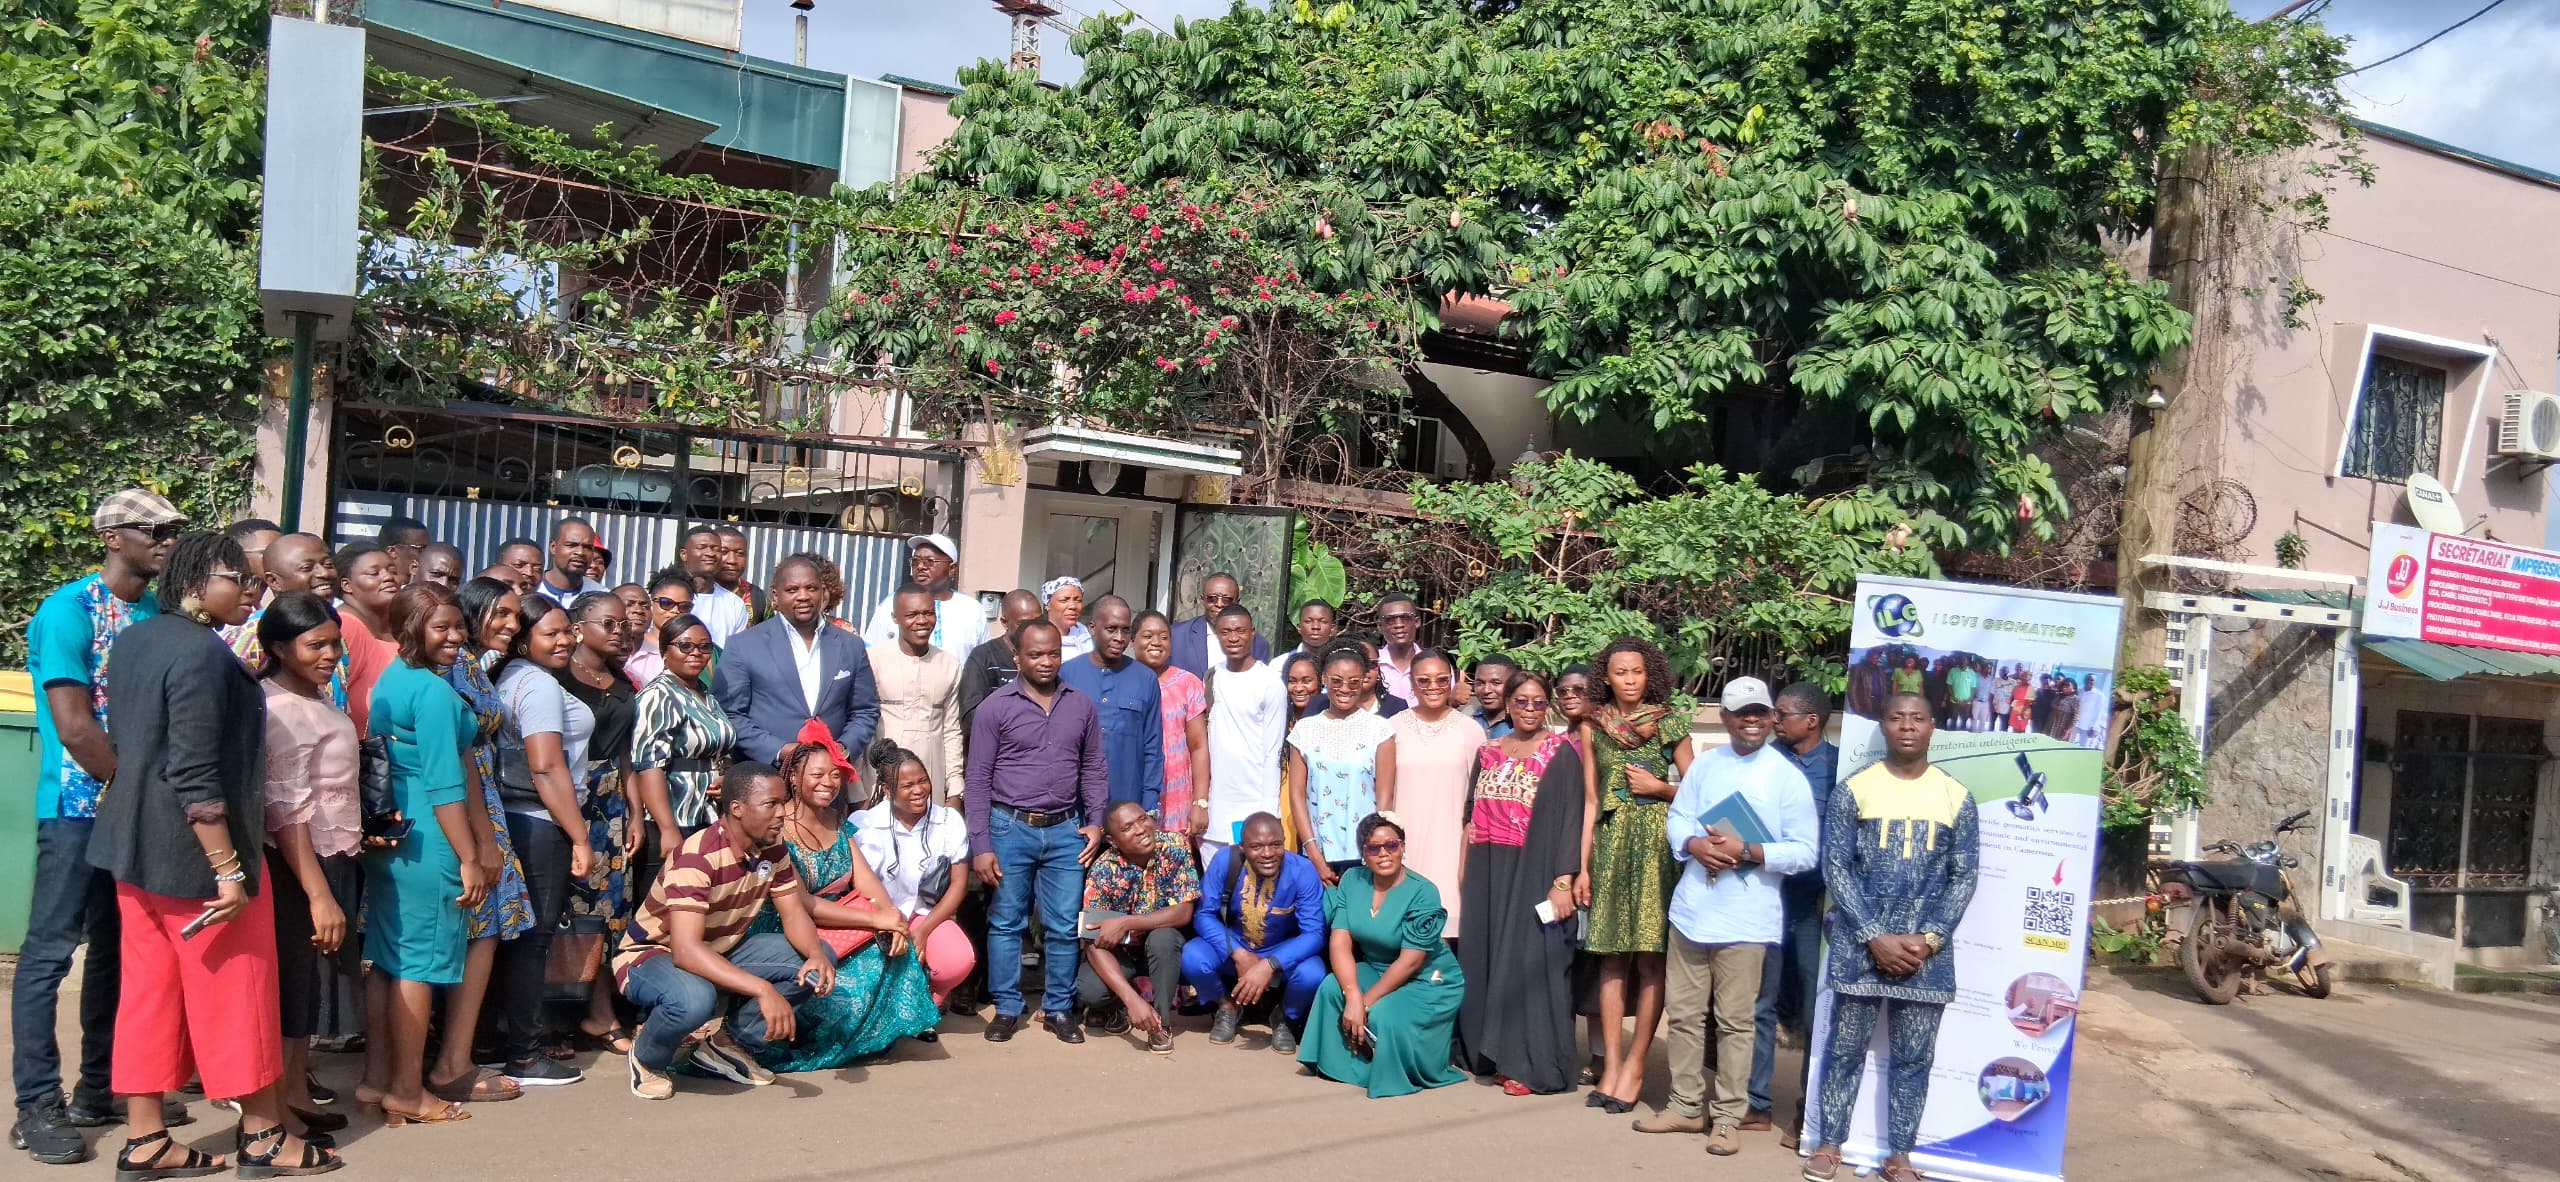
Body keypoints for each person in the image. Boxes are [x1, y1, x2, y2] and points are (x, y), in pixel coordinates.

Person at [89, 531, 343, 1178]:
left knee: (148, 994)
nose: (253, 594)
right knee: (239, 994)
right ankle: (263, 1136)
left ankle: (146, 1140)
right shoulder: (203, 654)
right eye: (240, 580)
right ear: (195, 582)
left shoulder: (137, 639)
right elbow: (195, 771)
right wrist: (229, 870)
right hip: (198, 858)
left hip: (133, 847)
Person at [13, 488, 179, 1165]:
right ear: (113, 537)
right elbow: (75, 726)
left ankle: (100, 1086)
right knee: (50, 955)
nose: (167, 541)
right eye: (153, 531)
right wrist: (128, 791)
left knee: (120, 952)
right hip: (77, 812)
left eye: (173, 530)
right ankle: (36, 1105)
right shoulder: (68, 611)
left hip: (131, 808)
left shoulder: (154, 611)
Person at [1804, 693, 1981, 1182]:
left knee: (1914, 1059)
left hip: (1926, 957)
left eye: (1917, 718)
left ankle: (1900, 1156)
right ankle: (1829, 1146)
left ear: (1932, 727)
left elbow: (1964, 875)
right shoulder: (1855, 790)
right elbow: (1836, 867)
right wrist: (1873, 936)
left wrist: (1931, 938)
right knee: (1844, 1050)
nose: (1907, 726)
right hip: (1860, 949)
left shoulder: (1956, 796)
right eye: (1897, 717)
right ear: (1882, 726)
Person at [1640, 677, 1819, 1156]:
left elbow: (1806, 851)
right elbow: (1679, 817)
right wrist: (1693, 843)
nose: (1751, 720)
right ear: (1725, 718)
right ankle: (1684, 1106)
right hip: (1693, 912)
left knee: (1736, 1023)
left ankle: (1726, 1118)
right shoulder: (1706, 765)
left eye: (1759, 712)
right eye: (1742, 713)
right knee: (1684, 1017)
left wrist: (1751, 850)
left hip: (1747, 919)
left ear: (1772, 717)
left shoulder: (1786, 777)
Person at [612, 764, 838, 1101]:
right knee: (695, 1000)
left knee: (817, 961)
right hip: (652, 955)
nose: (782, 813)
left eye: (783, 802)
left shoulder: (772, 847)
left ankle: (728, 1044)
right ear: (737, 808)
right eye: (771, 804)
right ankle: (647, 1057)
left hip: (719, 949)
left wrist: (816, 955)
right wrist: (763, 989)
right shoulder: (698, 856)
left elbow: (793, 913)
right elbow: (686, 951)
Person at [356, 582, 493, 1127]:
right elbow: (445, 786)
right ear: (412, 629)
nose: (456, 636)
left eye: (459, 626)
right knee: (418, 965)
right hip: (430, 839)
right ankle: (408, 1091)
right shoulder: (433, 693)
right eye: (442, 627)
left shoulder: (395, 677)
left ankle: (376, 1079)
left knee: (388, 959)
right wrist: (470, 856)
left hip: (395, 832)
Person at [748, 741, 939, 1070]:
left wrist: (891, 918)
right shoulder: (778, 829)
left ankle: (873, 1034)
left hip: (842, 922)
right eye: (818, 774)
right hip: (793, 928)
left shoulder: (838, 821)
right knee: (848, 983)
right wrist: (876, 921)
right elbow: (802, 903)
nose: (829, 782)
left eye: (835, 775)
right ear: (793, 777)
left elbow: (867, 882)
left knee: (897, 946)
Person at [963, 620, 1108, 1044]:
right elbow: (978, 778)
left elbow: (1093, 767)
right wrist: (981, 844)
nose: (1046, 662)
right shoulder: (995, 708)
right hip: (1010, 828)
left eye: (1053, 654)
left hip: (1066, 830)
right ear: (1017, 658)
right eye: (1035, 654)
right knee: (1007, 922)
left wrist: (1096, 821)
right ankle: (1007, 1007)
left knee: (1063, 925)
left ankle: (1059, 1008)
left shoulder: (1080, 705)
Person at [254, 593, 365, 1139]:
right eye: (315, 645)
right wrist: (319, 895)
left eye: (335, 643)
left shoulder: (315, 697)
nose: (330, 655)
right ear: (279, 648)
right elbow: (285, 810)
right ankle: (274, 1109)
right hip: (299, 864)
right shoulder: (279, 709)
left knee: (307, 986)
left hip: (332, 854)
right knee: (291, 985)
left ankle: (295, 1092)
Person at [1453, 669, 1589, 1097]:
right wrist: (1464, 866)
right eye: (1522, 701)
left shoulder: (1560, 752)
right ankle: (1489, 1054)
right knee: (1489, 956)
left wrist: (1563, 881)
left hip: (1535, 868)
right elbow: (1471, 813)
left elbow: (1571, 819)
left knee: (1531, 963)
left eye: (1539, 702)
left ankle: (1530, 1064)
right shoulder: (1488, 751)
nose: (1530, 709)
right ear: (1508, 704)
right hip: (1487, 865)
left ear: (1548, 706)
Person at [432, 579, 537, 1106]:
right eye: (502, 614)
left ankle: (454, 1055)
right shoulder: (451, 666)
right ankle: (452, 1062)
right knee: (479, 930)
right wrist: (484, 841)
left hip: (477, 804)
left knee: (479, 931)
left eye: (517, 616)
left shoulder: (471, 664)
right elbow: (462, 753)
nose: (513, 626)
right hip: (468, 809)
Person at [487, 596, 597, 1088]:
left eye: (567, 630)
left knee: (512, 938)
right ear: (522, 639)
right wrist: (579, 836)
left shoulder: (509, 676)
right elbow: (547, 766)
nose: (565, 640)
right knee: (534, 941)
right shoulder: (538, 685)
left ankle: (495, 1042)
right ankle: (526, 1055)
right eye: (550, 633)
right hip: (539, 819)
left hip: (514, 816)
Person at [1581, 636, 1691, 1113]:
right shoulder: (1593, 726)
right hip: (1610, 846)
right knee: (1610, 959)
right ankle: (1611, 1066)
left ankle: (1636, 1067)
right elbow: (1591, 801)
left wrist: (1660, 788)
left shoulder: (1671, 723)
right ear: (1606, 677)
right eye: (1621, 672)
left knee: (1650, 959)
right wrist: (1581, 868)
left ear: (1651, 676)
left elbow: (1700, 793)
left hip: (1656, 847)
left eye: (1638, 671)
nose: (1630, 680)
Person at [1297, 813, 1466, 1099]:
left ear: (1403, 847)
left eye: (1392, 845)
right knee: (1331, 988)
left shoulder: (1423, 892)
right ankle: (1348, 1068)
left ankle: (1394, 1072)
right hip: (1377, 967)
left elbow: (1411, 961)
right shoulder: (1352, 880)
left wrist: (1364, 1002)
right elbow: (1340, 943)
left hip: (1428, 979)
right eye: (1374, 848)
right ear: (1363, 853)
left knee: (1383, 1014)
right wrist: (1353, 995)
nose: (1384, 853)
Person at [556, 589, 643, 1055]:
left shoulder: (620, 677)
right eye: (607, 623)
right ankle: (570, 1014)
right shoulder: (558, 676)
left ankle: (600, 1010)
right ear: (577, 629)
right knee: (572, 907)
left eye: (622, 624)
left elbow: (625, 751)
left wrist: (635, 812)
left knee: (611, 910)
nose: (618, 631)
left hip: (611, 804)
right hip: (571, 796)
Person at [1754, 681, 1840, 1141]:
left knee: (1813, 1008)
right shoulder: (1763, 761)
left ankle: (1809, 1113)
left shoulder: (1839, 768)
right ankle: (1754, 1104)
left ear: (1811, 721)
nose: (1773, 721)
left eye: (1781, 714)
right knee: (1759, 1003)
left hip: (1811, 908)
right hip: (1762, 897)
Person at [715, 554, 880, 766]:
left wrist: (843, 748)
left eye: (811, 588)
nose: (803, 596)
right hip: (765, 772)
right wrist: (780, 750)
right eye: (792, 590)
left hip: (830, 773)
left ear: (823, 593)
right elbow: (729, 713)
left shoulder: (851, 646)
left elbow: (865, 710)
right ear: (775, 596)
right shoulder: (743, 645)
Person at [1184, 813, 1327, 1052]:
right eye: (1257, 847)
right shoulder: (1226, 861)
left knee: (1312, 973)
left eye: (1275, 845)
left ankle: (1283, 1017)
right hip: (1235, 944)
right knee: (1192, 956)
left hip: (1280, 949)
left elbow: (1314, 933)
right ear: (1242, 847)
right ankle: (1227, 1007)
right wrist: (1238, 954)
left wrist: (1270, 964)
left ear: (1284, 842)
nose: (1268, 853)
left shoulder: (1302, 871)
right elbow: (1204, 915)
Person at [1073, 801, 1199, 1055]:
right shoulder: (1103, 870)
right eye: (1128, 828)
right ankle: (1118, 1008)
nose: (1141, 829)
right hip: (1123, 953)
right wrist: (1132, 1000)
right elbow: (1092, 941)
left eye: (1143, 819)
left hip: (1165, 950)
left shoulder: (1174, 845)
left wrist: (1127, 922)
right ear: (1113, 841)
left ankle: (1160, 1024)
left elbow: (1184, 912)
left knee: (1163, 938)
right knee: (1091, 990)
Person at [854, 742, 975, 1004]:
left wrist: (924, 931)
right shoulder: (865, 825)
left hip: (924, 916)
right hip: (876, 918)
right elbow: (857, 887)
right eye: (907, 786)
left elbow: (959, 883)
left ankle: (927, 1004)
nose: (919, 790)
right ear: (887, 790)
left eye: (923, 781)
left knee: (957, 961)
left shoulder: (949, 821)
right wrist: (890, 924)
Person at [1286, 648, 1399, 884]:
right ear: (1324, 679)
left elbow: (1384, 799)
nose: (1345, 689)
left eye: (1353, 682)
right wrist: (1313, 852)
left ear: (1364, 681)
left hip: (1365, 853)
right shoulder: (1304, 730)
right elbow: (1296, 795)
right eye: (1337, 681)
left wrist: (1376, 850)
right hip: (1317, 853)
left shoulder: (1379, 730)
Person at [1390, 652, 1483, 937]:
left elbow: (1477, 800)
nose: (1433, 687)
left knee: (1446, 931)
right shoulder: (1392, 728)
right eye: (1424, 680)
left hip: (1451, 846)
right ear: (1412, 683)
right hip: (1404, 843)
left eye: (1442, 680)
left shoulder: (1470, 730)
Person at [630, 613, 737, 847]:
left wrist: (726, 779)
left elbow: (721, 750)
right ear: (664, 652)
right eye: (685, 646)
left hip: (708, 814)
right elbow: (648, 766)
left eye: (704, 647)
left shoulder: (706, 695)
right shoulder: (658, 696)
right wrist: (667, 829)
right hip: (675, 816)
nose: (696, 653)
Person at [1058, 595, 1165, 814]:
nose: (1119, 638)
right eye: (1111, 629)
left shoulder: (1145, 678)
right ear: (1092, 628)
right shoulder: (1066, 673)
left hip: (1126, 800)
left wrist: (1149, 805)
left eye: (1125, 630)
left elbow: (1153, 747)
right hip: (1073, 803)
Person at [1202, 606, 1290, 866]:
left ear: (1252, 633)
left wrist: (1268, 812)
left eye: (1240, 631)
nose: (1233, 638)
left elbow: (1273, 751)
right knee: (1215, 882)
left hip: (1253, 802)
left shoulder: (1269, 682)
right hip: (1216, 804)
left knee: (1250, 882)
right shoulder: (1212, 676)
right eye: (1225, 632)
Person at [871, 586, 967, 808]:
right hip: (879, 781)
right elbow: (863, 724)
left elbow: (951, 730)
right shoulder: (873, 660)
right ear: (895, 618)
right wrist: (858, 792)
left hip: (931, 780)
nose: (922, 621)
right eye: (912, 615)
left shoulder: (949, 664)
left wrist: (955, 790)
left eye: (928, 613)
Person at [1133, 611, 1209, 836]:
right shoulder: (1121, 680)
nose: (1156, 642)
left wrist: (1200, 802)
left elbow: (1198, 746)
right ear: (1132, 640)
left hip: (1176, 799)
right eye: (1148, 636)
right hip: (1131, 792)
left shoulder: (1188, 683)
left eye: (1164, 637)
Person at [860, 533, 989, 655]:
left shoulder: (972, 609)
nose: (920, 566)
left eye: (929, 561)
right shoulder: (893, 603)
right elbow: (872, 652)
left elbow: (984, 660)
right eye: (915, 561)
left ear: (952, 569)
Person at [332, 541, 401, 737]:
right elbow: (331, 697)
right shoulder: (345, 626)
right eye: (374, 573)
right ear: (347, 585)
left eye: (392, 571)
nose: (388, 577)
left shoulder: (399, 627)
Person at [958, 589, 1044, 738]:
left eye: (1037, 621)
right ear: (1005, 622)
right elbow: (971, 716)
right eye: (1023, 623)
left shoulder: (1046, 656)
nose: (1032, 629)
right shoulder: (983, 656)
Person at [1168, 572, 1266, 679]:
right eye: (1212, 599)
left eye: (1227, 600)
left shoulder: (1257, 643)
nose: (1219, 604)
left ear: (1237, 602)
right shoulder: (1176, 636)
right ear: (1203, 600)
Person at [677, 525, 751, 647]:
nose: (710, 553)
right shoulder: (666, 599)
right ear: (684, 554)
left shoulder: (734, 604)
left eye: (716, 549)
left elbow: (738, 651)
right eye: (702, 547)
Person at [622, 566, 694, 688]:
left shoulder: (694, 652)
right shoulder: (630, 644)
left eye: (684, 606)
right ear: (651, 603)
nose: (675, 610)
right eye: (666, 603)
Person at [531, 518, 607, 609]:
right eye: (571, 545)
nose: (580, 552)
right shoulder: (531, 589)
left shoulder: (602, 597)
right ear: (553, 547)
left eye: (587, 547)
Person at [1372, 593, 1424, 705]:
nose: (1399, 624)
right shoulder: (1371, 665)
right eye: (1390, 620)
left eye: (1405, 618)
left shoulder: (1434, 664)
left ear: (1417, 622)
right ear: (1380, 626)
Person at [714, 526, 772, 626]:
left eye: (740, 553)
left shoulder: (757, 597)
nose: (732, 560)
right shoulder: (695, 593)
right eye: (724, 552)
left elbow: (770, 632)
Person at [1040, 575, 1093, 660]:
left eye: (1078, 600)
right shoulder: (1038, 638)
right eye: (1064, 600)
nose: (1073, 606)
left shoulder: (1085, 635)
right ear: (1047, 605)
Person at [379, 515, 432, 588]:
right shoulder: (379, 589)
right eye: (421, 548)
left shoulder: (429, 590)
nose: (427, 554)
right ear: (392, 551)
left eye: (429, 549)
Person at [1467, 654, 1516, 731]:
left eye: (1496, 683)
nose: (1486, 690)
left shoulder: (1522, 723)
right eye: (1480, 683)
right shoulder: (1466, 716)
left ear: (1513, 684)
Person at [1282, 599, 1339, 666]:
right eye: (1308, 621)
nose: (1315, 627)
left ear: (1332, 629)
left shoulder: (1342, 665)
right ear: (1299, 627)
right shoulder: (1280, 665)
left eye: (1323, 621)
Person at [1847, 649, 1889, 721]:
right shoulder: (1858, 668)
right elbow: (1852, 688)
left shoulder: (1880, 669)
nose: (1877, 659)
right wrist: (1855, 704)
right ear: (1869, 656)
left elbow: (1884, 687)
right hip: (1865, 704)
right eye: (1875, 657)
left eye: (1878, 657)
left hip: (1879, 704)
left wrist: (1885, 703)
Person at [1281, 652, 1322, 720]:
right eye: (1292, 681)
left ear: (1321, 680)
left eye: (1306, 681)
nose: (1298, 689)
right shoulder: (1280, 715)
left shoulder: (1332, 717)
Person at [2044, 676, 2081, 742]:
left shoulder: (2075, 699)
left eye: (2067, 685)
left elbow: (2075, 716)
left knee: (2056, 744)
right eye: (2063, 685)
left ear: (2074, 688)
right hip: (2050, 724)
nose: (2064, 687)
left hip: (2061, 727)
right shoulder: (2058, 695)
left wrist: (2067, 731)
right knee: (2046, 742)